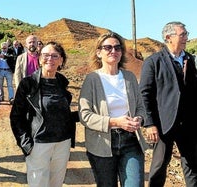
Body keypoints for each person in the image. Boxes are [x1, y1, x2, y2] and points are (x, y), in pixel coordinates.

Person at [78, 31, 146, 187]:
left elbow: (141, 107)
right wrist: (116, 122)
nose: (113, 51)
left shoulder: (129, 77)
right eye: (108, 47)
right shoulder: (92, 79)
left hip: (131, 140)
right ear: (99, 52)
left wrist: (139, 119)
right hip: (102, 144)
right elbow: (85, 115)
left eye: (117, 48)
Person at [10, 41, 78, 187]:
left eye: (55, 56)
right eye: (46, 55)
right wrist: (26, 143)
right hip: (38, 144)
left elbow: (62, 115)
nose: (50, 59)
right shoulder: (28, 84)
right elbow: (16, 116)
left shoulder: (62, 83)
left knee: (56, 183)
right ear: (40, 58)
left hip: (62, 143)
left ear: (61, 60)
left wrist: (86, 115)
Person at [139, 21, 197, 187]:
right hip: (164, 123)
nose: (187, 37)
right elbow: (145, 94)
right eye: (183, 34)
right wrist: (150, 123)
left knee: (192, 165)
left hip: (188, 124)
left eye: (186, 34)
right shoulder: (154, 61)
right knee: (159, 165)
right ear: (168, 37)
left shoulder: (190, 59)